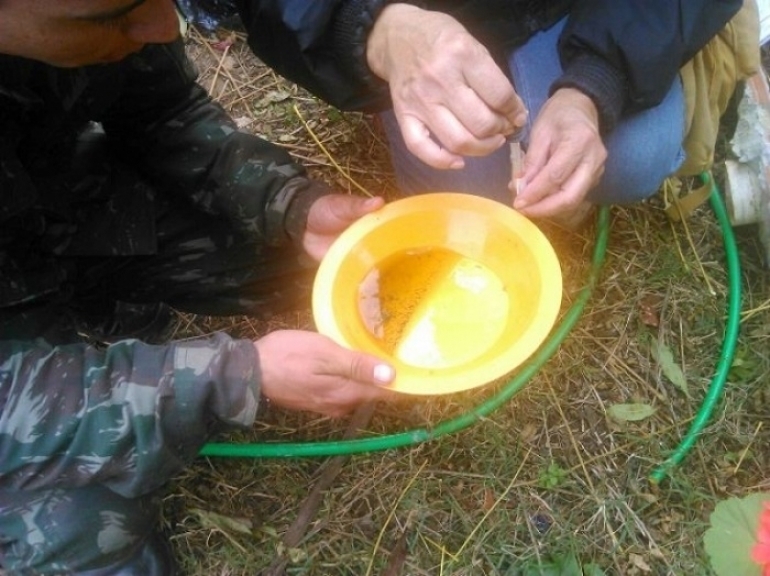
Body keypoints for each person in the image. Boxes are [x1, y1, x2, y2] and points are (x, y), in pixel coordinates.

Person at [0, 1, 397, 573]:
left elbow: (166, 113)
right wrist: (226, 376)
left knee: (326, 271)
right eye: (109, 18)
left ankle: (99, 300)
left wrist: (288, 205)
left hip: (52, 213)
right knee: (84, 530)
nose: (163, 27)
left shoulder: (122, 12)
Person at [234, 0, 746, 224]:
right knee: (464, 200)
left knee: (633, 159)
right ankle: (399, 85)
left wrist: (596, 85)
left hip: (579, 9)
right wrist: (374, 28)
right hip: (414, 11)